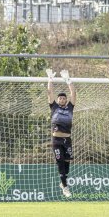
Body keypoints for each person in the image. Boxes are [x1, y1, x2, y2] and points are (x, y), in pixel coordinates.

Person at [46, 68, 76, 198]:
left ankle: (63, 182)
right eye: (60, 98)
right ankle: (65, 187)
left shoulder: (70, 107)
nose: (62, 99)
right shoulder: (54, 107)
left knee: (67, 163)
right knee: (60, 163)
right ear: (58, 100)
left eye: (64, 98)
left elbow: (74, 94)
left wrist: (68, 80)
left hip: (67, 140)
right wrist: (50, 80)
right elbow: (49, 93)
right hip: (56, 141)